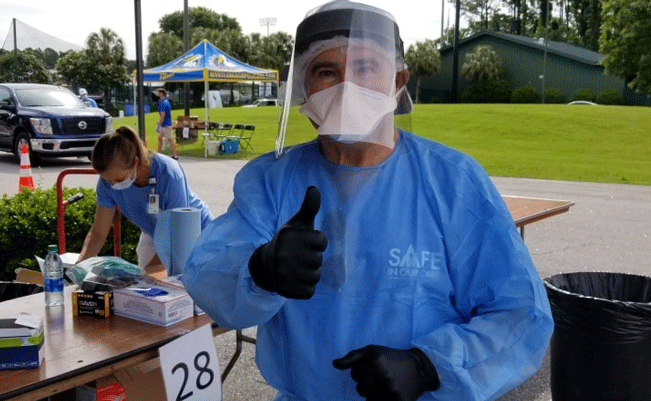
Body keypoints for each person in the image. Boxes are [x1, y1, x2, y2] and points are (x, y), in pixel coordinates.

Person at [182, 1, 554, 400]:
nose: (347, 86)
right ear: (302, 88)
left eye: (365, 68)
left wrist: (429, 366)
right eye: (326, 71)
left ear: (398, 82)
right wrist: (259, 269)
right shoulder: (272, 183)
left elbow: (520, 313)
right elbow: (208, 276)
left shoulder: (453, 182)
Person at [78, 125, 213, 274]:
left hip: (194, 234)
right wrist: (80, 266)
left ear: (135, 162)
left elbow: (176, 237)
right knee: (145, 287)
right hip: (156, 234)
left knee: (178, 287)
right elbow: (98, 232)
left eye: (118, 179)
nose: (113, 185)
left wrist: (143, 275)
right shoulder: (108, 182)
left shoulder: (168, 173)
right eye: (108, 180)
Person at [154, 88, 178, 160]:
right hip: (165, 124)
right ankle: (158, 154)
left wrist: (159, 124)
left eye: (158, 93)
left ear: (161, 93)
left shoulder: (163, 103)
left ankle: (175, 155)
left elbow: (163, 114)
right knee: (160, 138)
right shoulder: (164, 101)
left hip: (166, 125)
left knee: (170, 139)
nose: (156, 94)